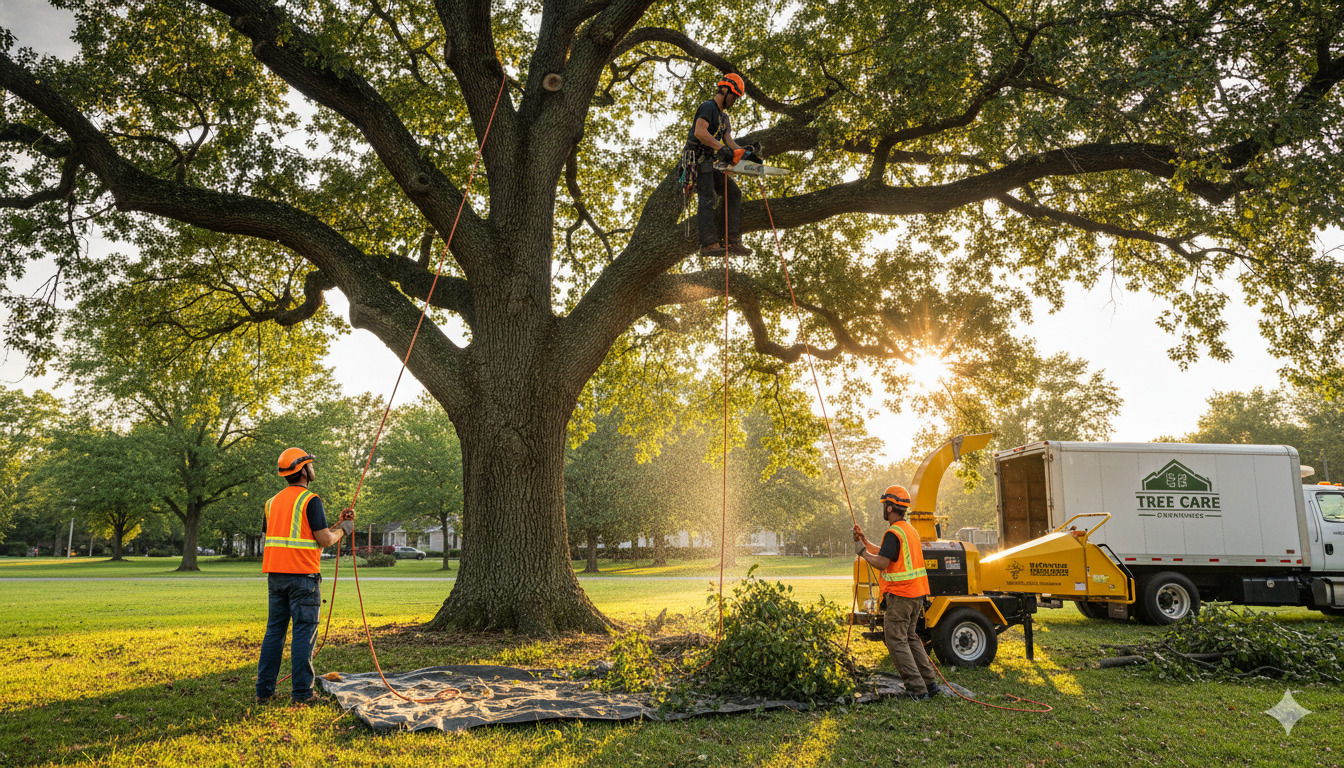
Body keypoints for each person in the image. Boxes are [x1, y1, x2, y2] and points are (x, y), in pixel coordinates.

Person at [255, 448, 354, 705]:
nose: (313, 469)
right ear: (304, 470)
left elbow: (281, 537)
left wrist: (336, 525)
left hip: (276, 578)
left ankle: (263, 693)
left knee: (274, 633)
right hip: (303, 578)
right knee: (303, 633)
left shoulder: (271, 503)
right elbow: (323, 540)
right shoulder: (310, 500)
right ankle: (301, 694)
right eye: (311, 465)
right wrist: (342, 530)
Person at [853, 484, 940, 700]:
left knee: (896, 639)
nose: (883, 508)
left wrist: (862, 552)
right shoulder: (908, 531)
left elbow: (882, 562)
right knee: (910, 637)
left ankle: (916, 689)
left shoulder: (894, 533)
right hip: (916, 595)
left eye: (885, 505)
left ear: (891, 507)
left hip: (901, 596)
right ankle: (930, 683)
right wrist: (864, 541)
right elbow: (885, 553)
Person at [683, 72, 761, 256]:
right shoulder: (707, 107)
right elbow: (700, 132)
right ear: (725, 90)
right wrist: (720, 149)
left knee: (733, 192)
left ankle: (732, 241)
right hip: (697, 160)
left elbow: (730, 143)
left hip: (712, 162)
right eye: (734, 96)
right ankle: (708, 244)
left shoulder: (724, 118)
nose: (734, 100)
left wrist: (745, 154)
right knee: (708, 197)